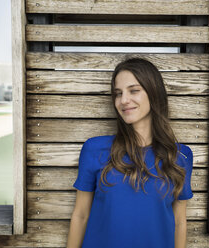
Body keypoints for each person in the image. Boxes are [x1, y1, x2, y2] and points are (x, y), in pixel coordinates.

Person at [66, 58, 194, 248]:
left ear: (153, 92)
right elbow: (81, 215)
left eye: (134, 90)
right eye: (118, 93)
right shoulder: (94, 149)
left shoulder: (179, 156)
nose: (123, 100)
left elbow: (179, 221)